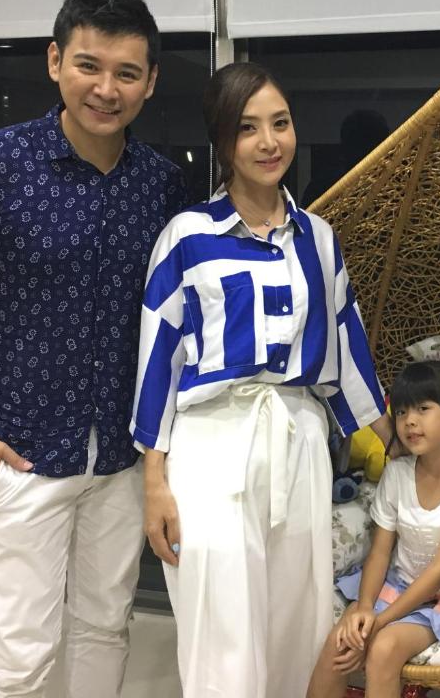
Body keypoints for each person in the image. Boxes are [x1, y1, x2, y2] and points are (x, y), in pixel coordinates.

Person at [0, 0, 186, 697]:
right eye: (89, 64)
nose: (105, 88)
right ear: (55, 62)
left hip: (119, 459)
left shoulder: (161, 186)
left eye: (126, 72)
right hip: (18, 457)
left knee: (104, 629)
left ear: (149, 84)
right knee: (19, 657)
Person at [131, 61, 392, 698]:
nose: (269, 141)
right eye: (249, 128)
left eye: (280, 123)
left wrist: (408, 448)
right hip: (211, 445)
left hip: (299, 439)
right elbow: (156, 361)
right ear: (224, 142)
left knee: (297, 616)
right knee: (220, 619)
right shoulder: (187, 237)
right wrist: (154, 482)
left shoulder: (319, 239)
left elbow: (345, 349)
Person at [308, 360, 440, 698]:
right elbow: (379, 550)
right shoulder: (397, 473)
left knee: (384, 648)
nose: (410, 421)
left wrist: (379, 620)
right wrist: (363, 608)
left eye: (423, 408)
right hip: (396, 585)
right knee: (338, 641)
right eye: (402, 412)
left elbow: (439, 571)